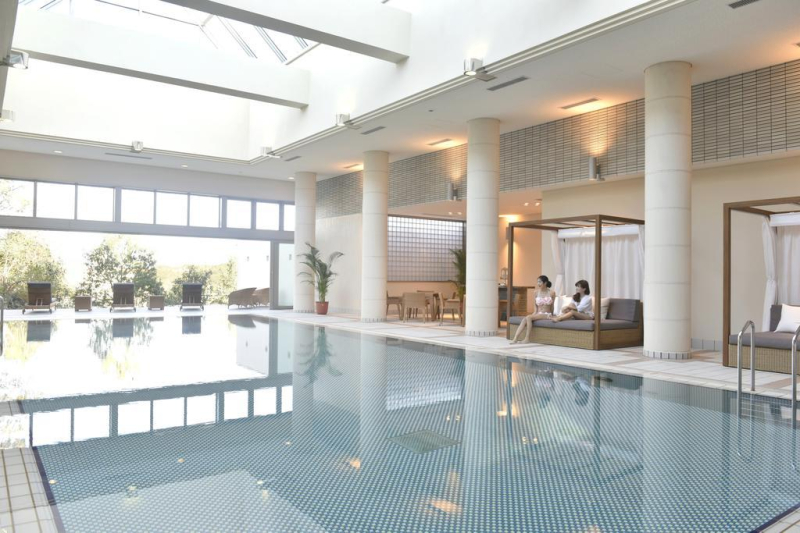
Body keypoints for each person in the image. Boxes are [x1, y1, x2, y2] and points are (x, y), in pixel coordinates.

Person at [510, 275, 556, 344]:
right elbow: (535, 306)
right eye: (537, 282)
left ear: (545, 283)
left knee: (528, 317)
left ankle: (527, 338)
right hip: (538, 313)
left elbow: (552, 306)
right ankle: (515, 338)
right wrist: (533, 314)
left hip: (547, 314)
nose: (538, 284)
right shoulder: (536, 292)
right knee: (525, 319)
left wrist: (552, 315)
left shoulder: (552, 293)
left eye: (540, 282)